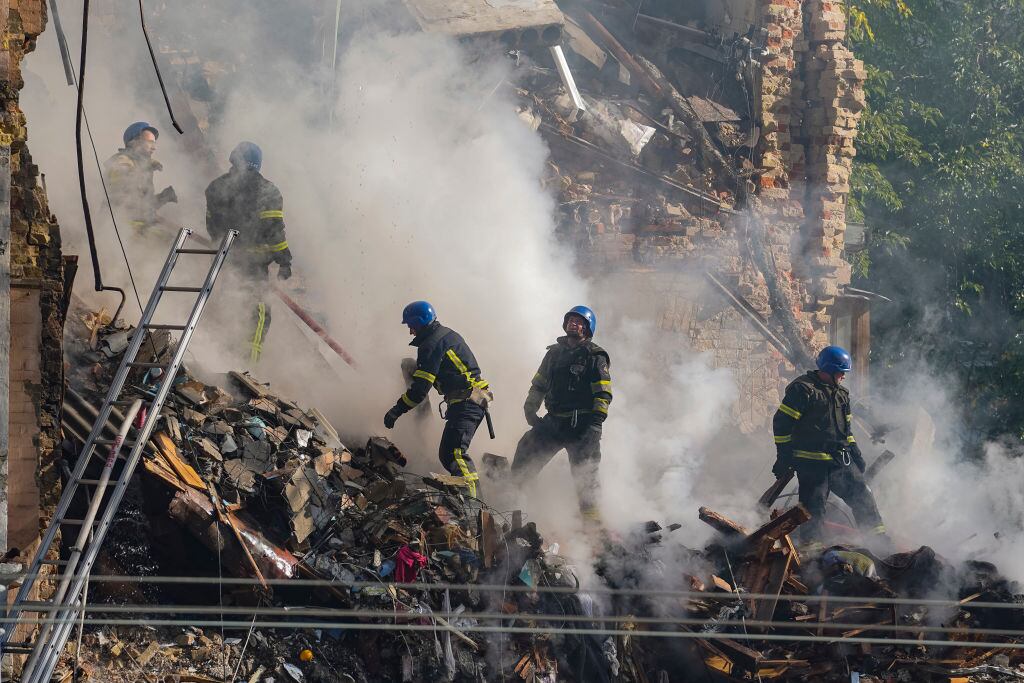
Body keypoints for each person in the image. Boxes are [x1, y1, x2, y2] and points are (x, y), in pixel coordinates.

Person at [772, 345, 888, 552]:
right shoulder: (803, 390)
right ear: (829, 370)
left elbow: (846, 430)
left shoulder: (842, 394)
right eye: (841, 372)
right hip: (812, 465)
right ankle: (813, 554)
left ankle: (879, 543)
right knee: (812, 510)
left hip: (840, 461)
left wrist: (855, 452)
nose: (843, 376)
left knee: (862, 496)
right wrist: (784, 456)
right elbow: (781, 424)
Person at [511, 306, 611, 526]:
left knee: (586, 479)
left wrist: (595, 424)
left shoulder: (595, 356)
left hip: (582, 426)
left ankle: (593, 529)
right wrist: (530, 408)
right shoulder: (554, 354)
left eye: (579, 321)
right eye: (570, 320)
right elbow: (539, 384)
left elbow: (603, 393)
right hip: (554, 421)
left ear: (587, 328)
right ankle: (520, 508)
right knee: (525, 454)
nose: (573, 323)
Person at [384, 301, 492, 497]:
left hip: (468, 402)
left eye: (411, 326)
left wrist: (396, 410)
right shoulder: (445, 335)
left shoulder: (431, 344)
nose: (411, 332)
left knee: (455, 453)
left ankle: (473, 502)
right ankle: (468, 498)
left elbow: (420, 391)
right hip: (468, 402)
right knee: (447, 453)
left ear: (420, 322)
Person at [205, 142, 292, 363]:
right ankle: (248, 369)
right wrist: (285, 261)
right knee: (259, 315)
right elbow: (274, 229)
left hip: (227, 262)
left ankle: (222, 361)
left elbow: (212, 227)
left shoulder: (215, 187)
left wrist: (226, 249)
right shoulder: (266, 190)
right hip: (254, 266)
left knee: (231, 309)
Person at [104, 121, 177, 232]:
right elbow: (126, 205)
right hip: (120, 227)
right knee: (166, 239)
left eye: (154, 143)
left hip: (136, 224)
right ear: (135, 143)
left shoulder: (141, 165)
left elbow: (143, 204)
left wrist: (163, 197)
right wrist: (161, 199)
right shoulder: (122, 164)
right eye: (150, 142)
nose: (154, 148)